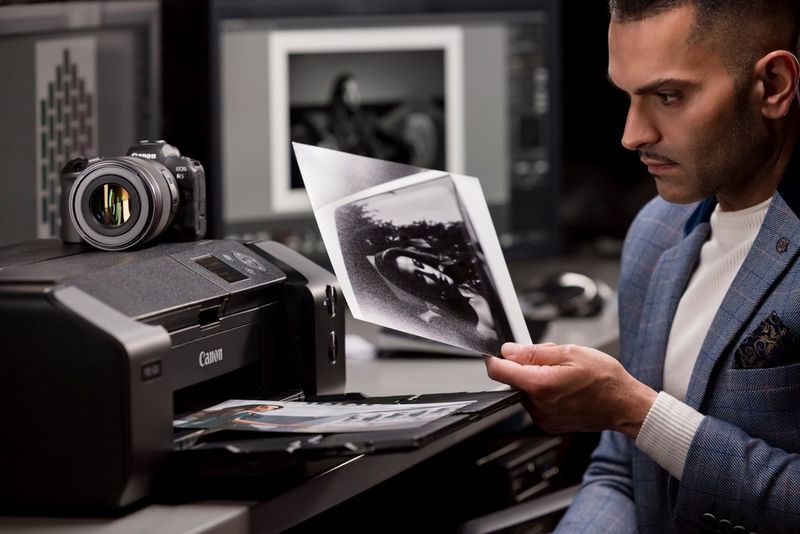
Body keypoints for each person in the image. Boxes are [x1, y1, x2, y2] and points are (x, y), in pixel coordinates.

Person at [485, 1, 800, 532]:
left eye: (668, 96)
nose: (632, 135)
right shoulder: (655, 231)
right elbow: (621, 472)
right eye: (627, 96)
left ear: (773, 85)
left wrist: (637, 412)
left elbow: (637, 425)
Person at [372, 241, 503, 353]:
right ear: (417, 289)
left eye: (419, 264)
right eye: (419, 277)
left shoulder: (474, 280)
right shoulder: (439, 321)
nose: (430, 273)